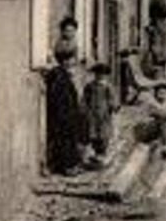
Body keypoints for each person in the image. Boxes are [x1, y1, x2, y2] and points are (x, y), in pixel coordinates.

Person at [42, 18, 88, 175]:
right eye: (67, 30)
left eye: (72, 30)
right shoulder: (59, 46)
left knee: (76, 125)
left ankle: (75, 160)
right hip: (64, 99)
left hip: (73, 85)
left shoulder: (76, 45)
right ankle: (67, 164)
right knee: (66, 128)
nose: (69, 33)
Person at [81, 61, 117, 168]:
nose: (99, 76)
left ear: (106, 75)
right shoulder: (90, 86)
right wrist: (83, 109)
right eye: (97, 74)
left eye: (102, 74)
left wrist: (113, 106)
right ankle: (96, 153)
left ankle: (102, 154)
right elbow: (85, 99)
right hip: (92, 113)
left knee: (103, 134)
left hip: (104, 114)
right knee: (93, 134)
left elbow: (112, 99)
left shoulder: (107, 87)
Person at [145, 0, 166, 80]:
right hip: (164, 47)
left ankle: (160, 77)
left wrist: (152, 30)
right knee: (163, 60)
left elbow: (157, 32)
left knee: (160, 60)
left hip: (160, 46)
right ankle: (162, 76)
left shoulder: (162, 23)